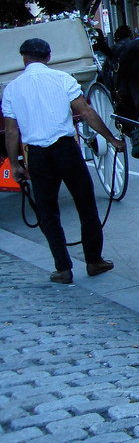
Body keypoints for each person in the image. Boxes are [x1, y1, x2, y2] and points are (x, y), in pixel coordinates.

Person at [2, 37, 127, 284]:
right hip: (65, 150)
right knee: (85, 204)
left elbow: (11, 131)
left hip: (37, 154)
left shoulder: (12, 89)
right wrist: (112, 140)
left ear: (24, 58)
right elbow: (87, 112)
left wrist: (16, 164)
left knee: (48, 212)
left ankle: (63, 268)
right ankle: (94, 260)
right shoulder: (63, 79)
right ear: (48, 57)